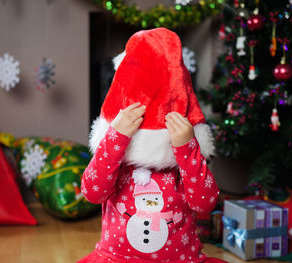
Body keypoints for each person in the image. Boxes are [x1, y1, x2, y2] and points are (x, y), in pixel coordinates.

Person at [78, 27, 226, 263]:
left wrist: (187, 148)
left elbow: (205, 203)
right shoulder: (118, 157)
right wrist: (116, 138)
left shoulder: (182, 159)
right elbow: (92, 192)